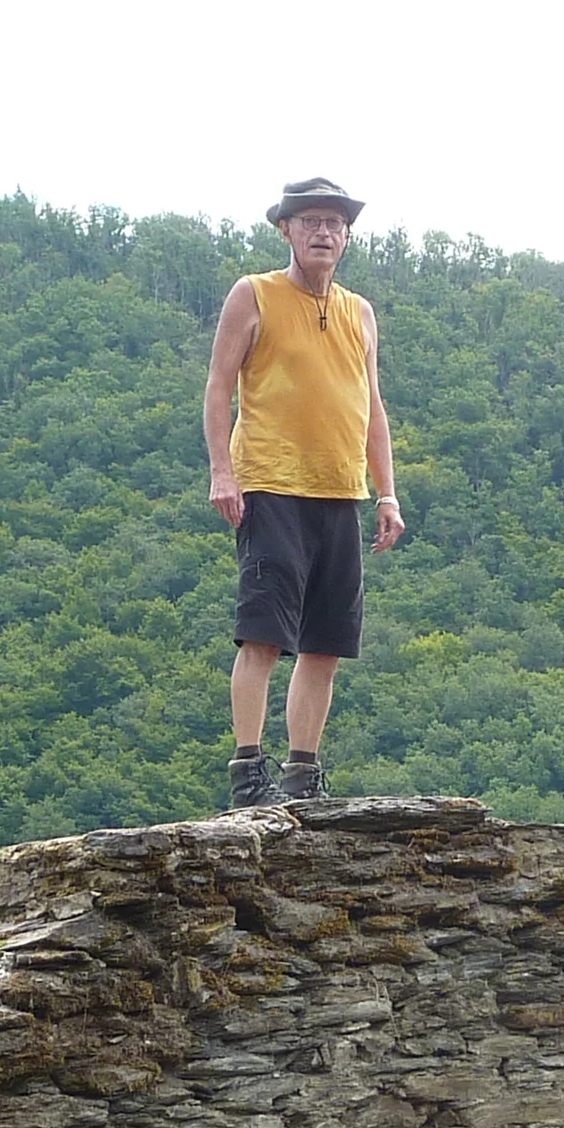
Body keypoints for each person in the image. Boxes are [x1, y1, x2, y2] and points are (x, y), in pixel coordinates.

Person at [204, 177, 404, 808]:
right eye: (311, 221)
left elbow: (372, 407)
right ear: (285, 230)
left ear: (346, 236)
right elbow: (217, 388)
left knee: (325, 643)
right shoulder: (254, 294)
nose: (324, 232)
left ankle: (302, 773)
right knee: (263, 633)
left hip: (339, 491)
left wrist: (387, 493)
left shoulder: (359, 311)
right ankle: (247, 773)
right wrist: (222, 472)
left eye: (335, 223)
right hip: (269, 485)